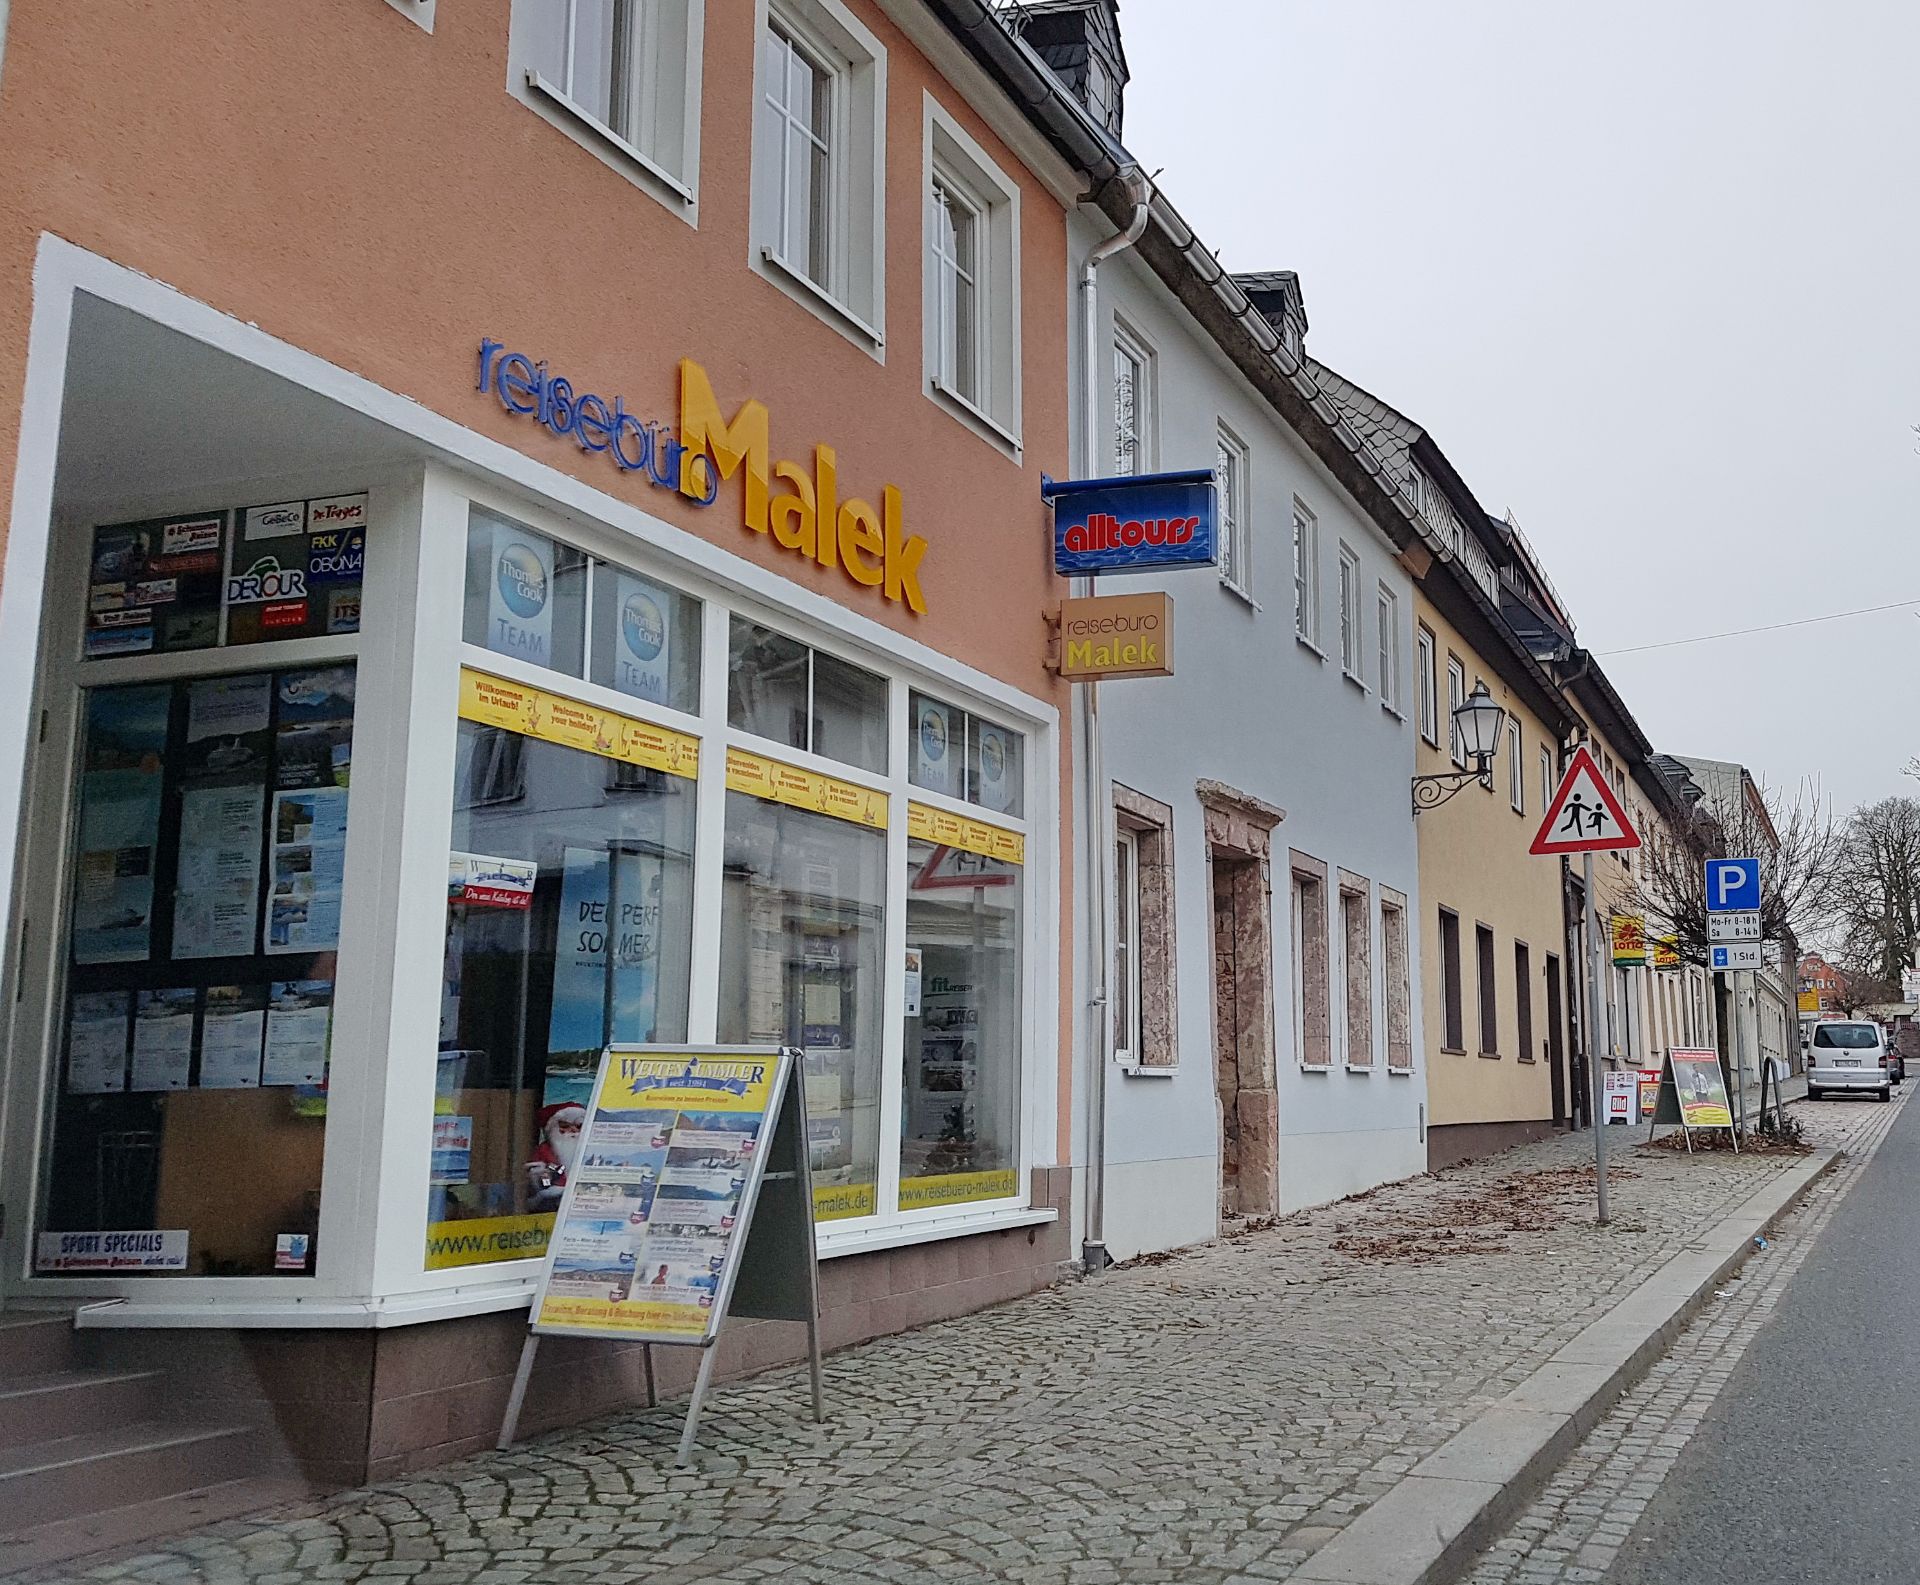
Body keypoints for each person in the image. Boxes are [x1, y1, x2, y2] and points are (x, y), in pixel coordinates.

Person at [526, 1101, 586, 1212]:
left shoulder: (587, 1152)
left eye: (579, 1126)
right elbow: (536, 1179)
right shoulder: (544, 1151)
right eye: (565, 1126)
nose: (573, 1130)